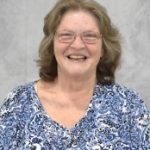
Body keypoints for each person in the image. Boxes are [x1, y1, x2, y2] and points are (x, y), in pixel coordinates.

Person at [0, 0, 149, 149]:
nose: (77, 45)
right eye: (66, 35)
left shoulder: (129, 107)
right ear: (52, 44)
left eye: (89, 36)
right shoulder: (17, 105)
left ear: (103, 48)